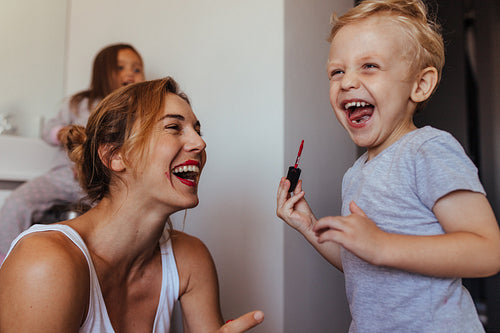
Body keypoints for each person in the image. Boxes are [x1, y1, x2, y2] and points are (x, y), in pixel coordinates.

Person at [276, 0, 500, 331]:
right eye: (337, 71)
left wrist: (382, 245)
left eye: (369, 66)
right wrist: (309, 224)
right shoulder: (355, 174)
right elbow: (361, 262)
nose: (347, 81)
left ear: (420, 85)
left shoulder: (428, 150)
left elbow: (487, 251)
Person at [0, 77, 264, 332]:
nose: (200, 143)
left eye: (197, 130)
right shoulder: (45, 263)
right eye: (174, 127)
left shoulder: (190, 259)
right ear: (115, 155)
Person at [0, 43, 145, 261]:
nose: (130, 74)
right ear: (103, 72)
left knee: (115, 218)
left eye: (136, 69)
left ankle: (105, 267)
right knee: (17, 203)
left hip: (103, 183)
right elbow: (48, 131)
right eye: (121, 67)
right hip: (63, 177)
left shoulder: (136, 111)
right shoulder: (79, 104)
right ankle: (6, 260)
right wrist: (62, 133)